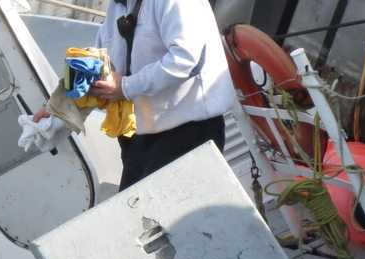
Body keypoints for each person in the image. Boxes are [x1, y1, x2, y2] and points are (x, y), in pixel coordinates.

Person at [35, 0, 236, 190]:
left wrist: (125, 87)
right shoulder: (118, 6)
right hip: (140, 142)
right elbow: (98, 63)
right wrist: (58, 109)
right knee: (133, 212)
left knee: (160, 213)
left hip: (188, 136)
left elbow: (187, 59)